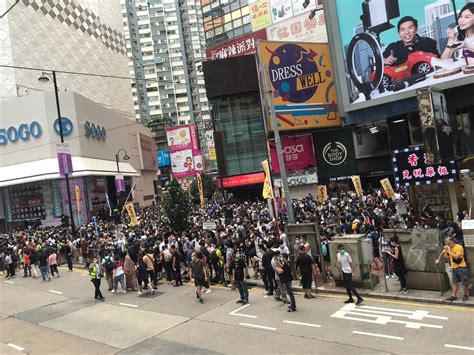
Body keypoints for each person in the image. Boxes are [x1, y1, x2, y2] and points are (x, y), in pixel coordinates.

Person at [435, 236, 470, 302]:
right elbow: (442, 253)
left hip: (461, 267)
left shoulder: (459, 247)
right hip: (454, 267)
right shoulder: (448, 247)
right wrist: (438, 259)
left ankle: (466, 295)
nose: (446, 242)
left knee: (464, 282)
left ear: (451, 241)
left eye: (447, 241)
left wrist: (448, 251)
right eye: (445, 241)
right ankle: (454, 296)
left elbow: (456, 257)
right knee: (454, 282)